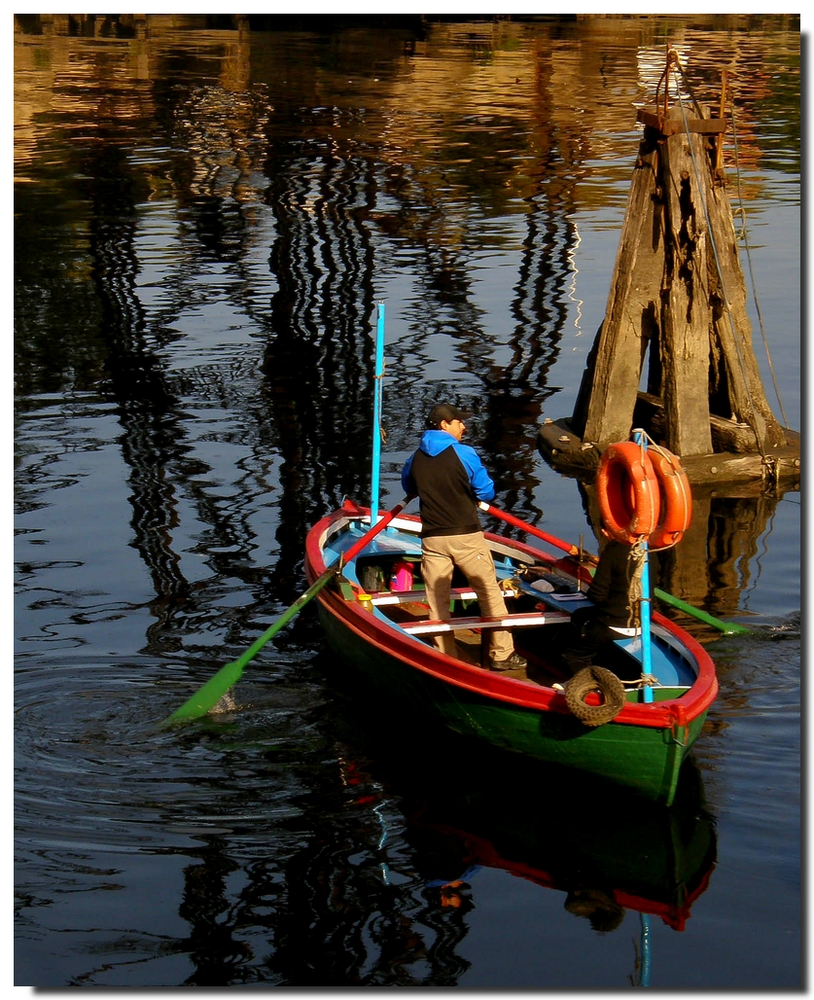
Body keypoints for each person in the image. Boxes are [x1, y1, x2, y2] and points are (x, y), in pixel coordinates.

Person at [401, 402, 527, 671]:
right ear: (444, 425)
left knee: (437, 599)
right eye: (459, 422)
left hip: (432, 538)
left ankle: (445, 655)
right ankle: (502, 654)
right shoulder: (464, 453)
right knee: (489, 593)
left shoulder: (415, 458)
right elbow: (486, 492)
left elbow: (408, 486)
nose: (464, 426)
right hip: (466, 536)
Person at [558, 538, 648, 678]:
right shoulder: (650, 549)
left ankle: (587, 686)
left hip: (613, 623)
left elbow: (597, 595)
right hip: (643, 622)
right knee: (581, 615)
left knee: (572, 655)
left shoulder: (614, 550)